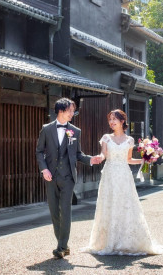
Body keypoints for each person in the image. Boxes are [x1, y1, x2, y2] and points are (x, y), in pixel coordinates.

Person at [83, 109, 163, 255]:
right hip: (110, 175)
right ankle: (108, 241)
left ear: (122, 121)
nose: (112, 122)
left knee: (126, 205)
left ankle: (125, 240)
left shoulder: (129, 140)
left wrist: (145, 160)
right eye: (110, 119)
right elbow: (103, 154)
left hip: (124, 175)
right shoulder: (106, 138)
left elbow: (128, 159)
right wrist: (99, 157)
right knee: (110, 204)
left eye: (114, 119)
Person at [36, 98, 100, 259]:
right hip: (50, 177)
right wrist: (44, 169)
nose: (73, 113)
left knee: (65, 210)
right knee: (54, 212)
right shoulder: (46, 129)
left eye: (73, 110)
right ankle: (63, 244)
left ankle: (61, 246)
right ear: (61, 111)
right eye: (71, 110)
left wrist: (90, 159)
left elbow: (77, 154)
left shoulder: (75, 131)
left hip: (68, 177)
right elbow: (39, 151)